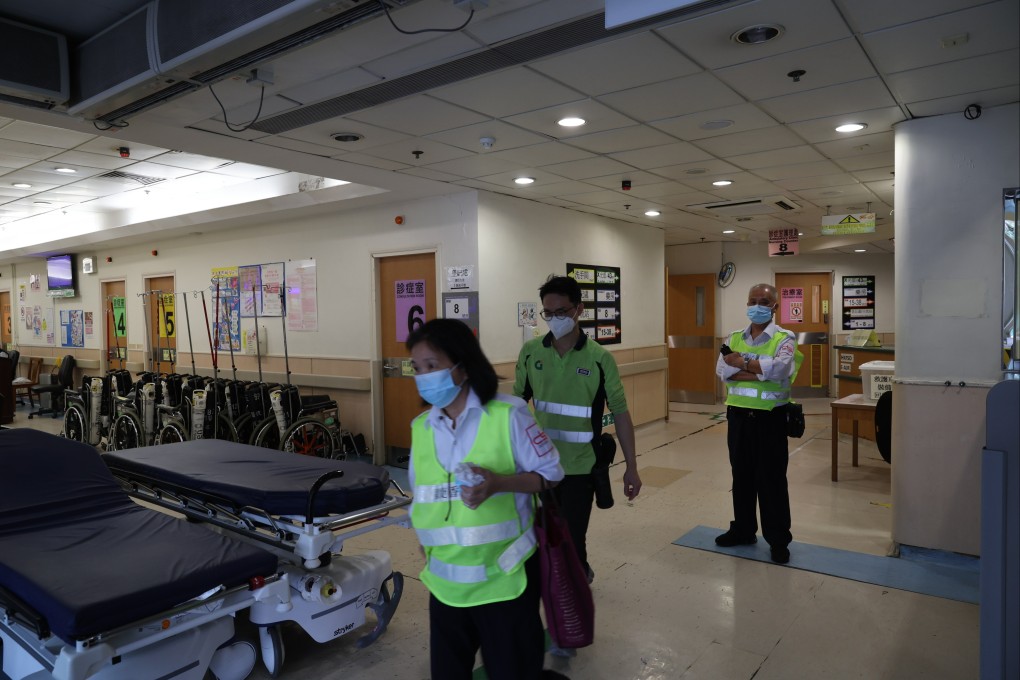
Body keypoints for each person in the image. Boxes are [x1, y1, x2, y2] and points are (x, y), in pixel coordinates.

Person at [407, 318, 565, 680]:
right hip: (445, 586)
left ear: (462, 366)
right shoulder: (421, 428)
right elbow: (423, 498)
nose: (423, 376)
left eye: (432, 366)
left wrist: (499, 483)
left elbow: (552, 474)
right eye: (416, 368)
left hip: (504, 582)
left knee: (513, 672)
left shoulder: (508, 414)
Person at [514, 275, 642, 587]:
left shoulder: (599, 358)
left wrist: (632, 468)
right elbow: (514, 409)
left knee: (572, 539)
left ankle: (575, 592)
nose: (555, 319)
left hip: (580, 468)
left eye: (561, 312)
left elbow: (621, 414)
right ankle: (553, 590)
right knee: (539, 536)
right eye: (548, 313)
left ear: (578, 310)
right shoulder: (531, 353)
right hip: (537, 466)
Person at [715, 283, 803, 564]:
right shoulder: (734, 337)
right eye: (753, 300)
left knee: (772, 480)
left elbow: (781, 370)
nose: (757, 306)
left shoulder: (784, 338)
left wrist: (740, 364)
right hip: (738, 417)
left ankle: (778, 540)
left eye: (764, 301)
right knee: (741, 477)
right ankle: (743, 530)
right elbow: (723, 372)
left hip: (770, 420)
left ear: (775, 306)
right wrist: (758, 370)